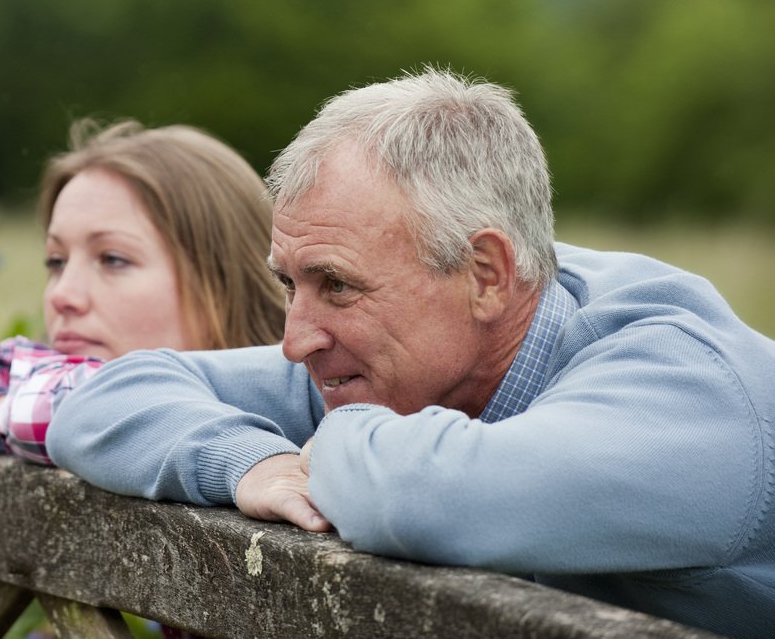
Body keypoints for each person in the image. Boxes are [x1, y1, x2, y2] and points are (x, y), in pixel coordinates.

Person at [45, 68, 775, 639]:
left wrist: (328, 443)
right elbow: (105, 400)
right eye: (289, 283)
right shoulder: (406, 353)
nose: (294, 338)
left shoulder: (687, 387)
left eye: (335, 284)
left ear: (486, 273)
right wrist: (248, 462)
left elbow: (420, 495)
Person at [0, 118, 286, 463]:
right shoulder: (43, 384)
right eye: (56, 261)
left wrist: (46, 413)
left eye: (113, 259)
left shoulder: (300, 411)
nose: (63, 295)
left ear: (222, 278)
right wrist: (5, 409)